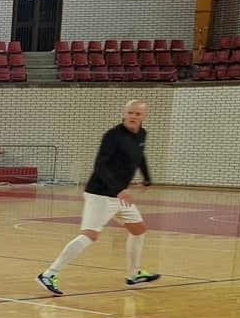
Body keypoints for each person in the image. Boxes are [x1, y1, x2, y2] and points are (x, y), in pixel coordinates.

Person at [36, 99, 161, 295]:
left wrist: (147, 178)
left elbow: (139, 155)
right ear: (124, 113)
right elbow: (100, 166)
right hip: (100, 194)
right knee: (90, 235)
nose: (133, 116)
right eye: (130, 112)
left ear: (144, 116)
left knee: (138, 230)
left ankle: (133, 275)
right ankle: (49, 274)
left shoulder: (141, 134)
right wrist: (119, 189)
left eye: (137, 113)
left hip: (119, 196)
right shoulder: (113, 135)